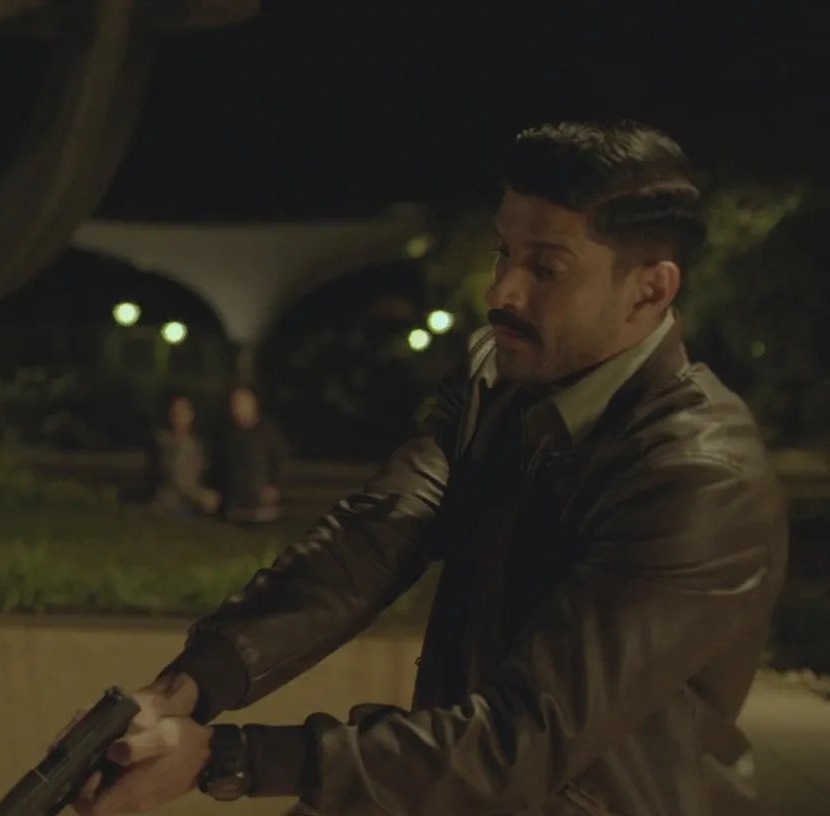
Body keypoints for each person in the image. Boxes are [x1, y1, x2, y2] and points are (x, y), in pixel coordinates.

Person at [66, 120, 789, 815]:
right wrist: (183, 689)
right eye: (504, 253)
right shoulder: (499, 383)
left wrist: (229, 757)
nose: (501, 291)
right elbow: (373, 539)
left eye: (545, 268)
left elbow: (523, 739)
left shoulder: (699, 476)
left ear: (649, 290)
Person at [207, 387, 288, 524]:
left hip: (260, 499)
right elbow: (216, 466)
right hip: (232, 502)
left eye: (240, 403)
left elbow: (279, 463)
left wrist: (274, 487)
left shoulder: (266, 433)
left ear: (252, 406)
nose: (235, 408)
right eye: (234, 404)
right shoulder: (225, 435)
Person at [146, 394, 221, 519]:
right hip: (171, 497)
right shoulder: (163, 441)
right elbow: (175, 478)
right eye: (176, 411)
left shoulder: (196, 444)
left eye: (184, 411)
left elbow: (200, 474)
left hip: (190, 493)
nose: (180, 415)